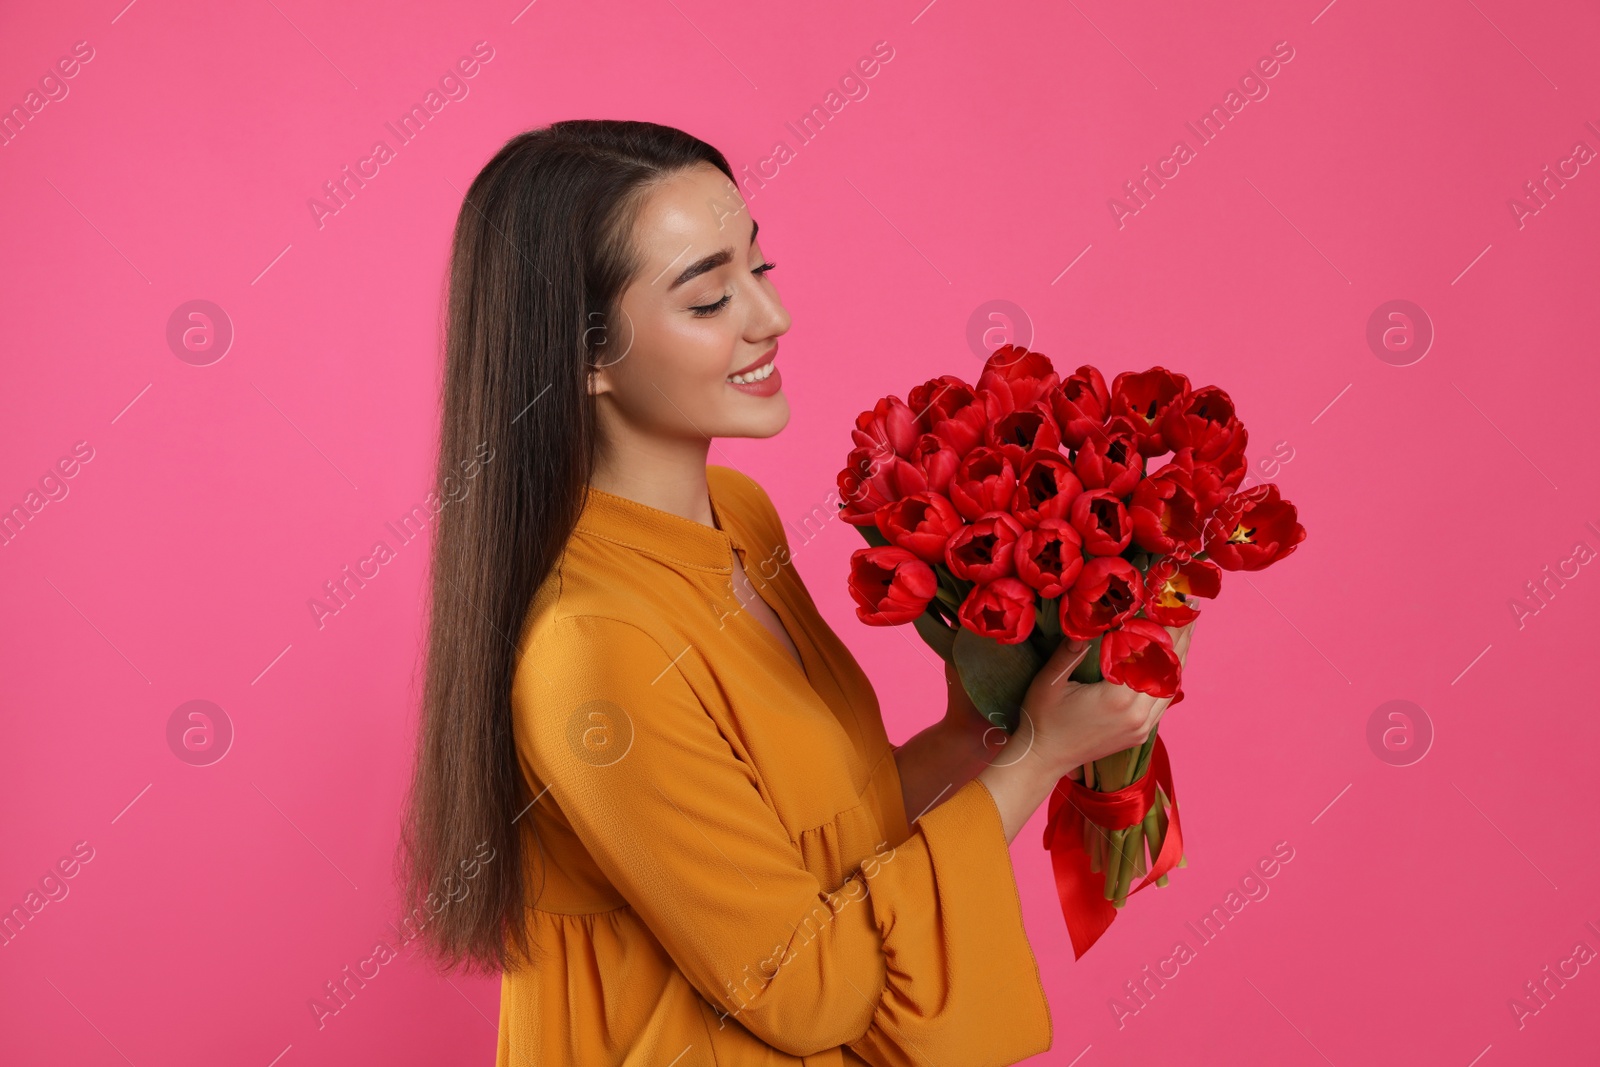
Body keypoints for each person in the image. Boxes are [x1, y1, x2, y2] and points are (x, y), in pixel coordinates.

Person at [397, 118, 1193, 1066]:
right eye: (707, 300)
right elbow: (808, 989)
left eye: (759, 271)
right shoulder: (596, 646)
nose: (770, 321)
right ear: (583, 355)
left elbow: (828, 837)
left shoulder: (738, 513)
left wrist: (996, 723)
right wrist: (1035, 765)